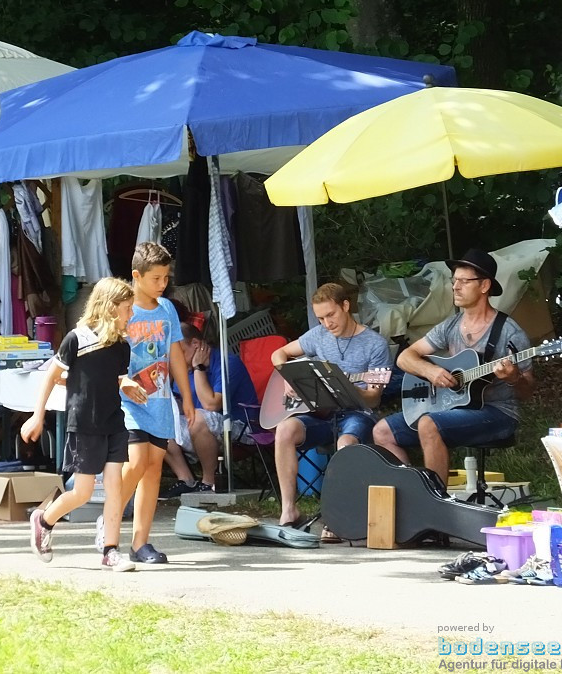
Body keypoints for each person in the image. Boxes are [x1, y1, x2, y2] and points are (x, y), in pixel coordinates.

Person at [373, 247, 535, 484]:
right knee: (382, 431)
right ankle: (412, 490)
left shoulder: (509, 332)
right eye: (454, 280)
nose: (455, 286)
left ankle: (436, 500)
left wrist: (514, 378)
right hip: (453, 406)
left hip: (497, 412)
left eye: (463, 281)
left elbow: (528, 390)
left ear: (484, 286)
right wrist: (432, 370)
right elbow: (405, 358)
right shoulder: (450, 325)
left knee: (428, 423)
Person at [22, 276, 147, 572]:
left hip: (114, 423)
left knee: (115, 488)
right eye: (128, 308)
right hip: (84, 423)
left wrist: (127, 384)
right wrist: (37, 415)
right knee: (83, 493)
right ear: (110, 307)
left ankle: (110, 551)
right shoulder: (76, 339)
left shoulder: (122, 347)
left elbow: (112, 378)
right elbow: (52, 377)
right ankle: (44, 520)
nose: (131, 315)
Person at [100, 242, 196, 565]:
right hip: (127, 401)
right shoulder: (121, 310)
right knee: (137, 459)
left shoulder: (167, 309)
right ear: (136, 276)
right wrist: (120, 382)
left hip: (159, 400)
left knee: (154, 467)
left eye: (166, 278)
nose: (162, 284)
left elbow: (176, 356)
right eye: (156, 278)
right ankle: (109, 519)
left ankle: (140, 543)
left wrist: (186, 396)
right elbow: (102, 356)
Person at [272, 282, 391, 531]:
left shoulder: (375, 344)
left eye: (331, 315)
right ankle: (289, 509)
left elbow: (375, 396)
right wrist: (287, 377)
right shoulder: (318, 335)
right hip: (321, 413)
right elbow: (279, 354)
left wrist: (351, 389)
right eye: (321, 318)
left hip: (357, 412)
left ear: (345, 306)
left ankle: (339, 516)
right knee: (284, 430)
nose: (327, 324)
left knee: (345, 443)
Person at [162, 316, 259, 498]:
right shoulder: (182, 369)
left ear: (196, 344)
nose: (175, 360)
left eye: (179, 352)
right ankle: (186, 480)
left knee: (198, 418)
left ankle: (209, 482)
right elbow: (181, 407)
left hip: (240, 427)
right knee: (155, 422)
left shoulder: (227, 363)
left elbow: (211, 404)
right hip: (201, 426)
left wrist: (199, 368)